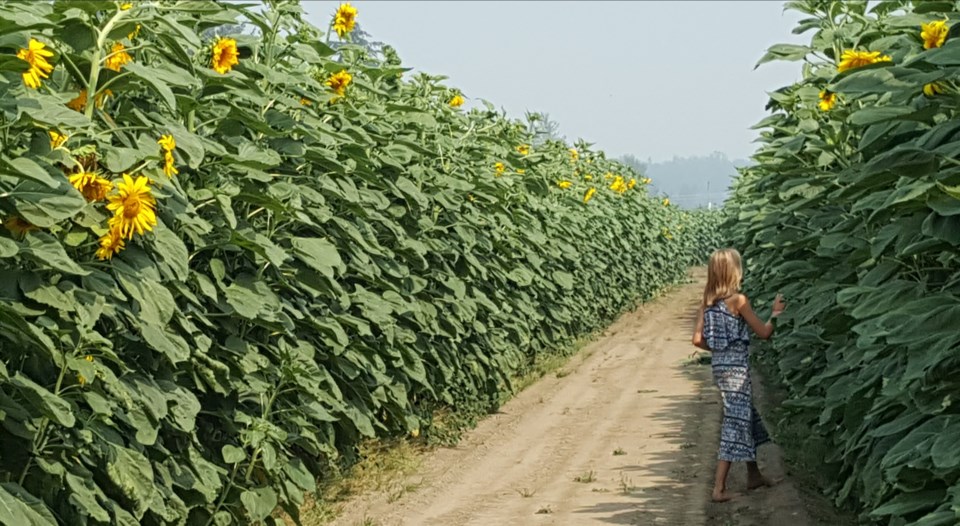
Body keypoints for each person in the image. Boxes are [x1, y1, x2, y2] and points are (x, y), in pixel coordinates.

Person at [691, 248, 785, 503]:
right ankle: (718, 489)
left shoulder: (706, 303)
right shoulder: (738, 301)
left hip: (720, 368)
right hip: (737, 371)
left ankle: (753, 475)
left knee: (745, 415)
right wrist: (776, 314)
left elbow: (697, 340)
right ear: (735, 272)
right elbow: (764, 332)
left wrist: (720, 349)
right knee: (735, 422)